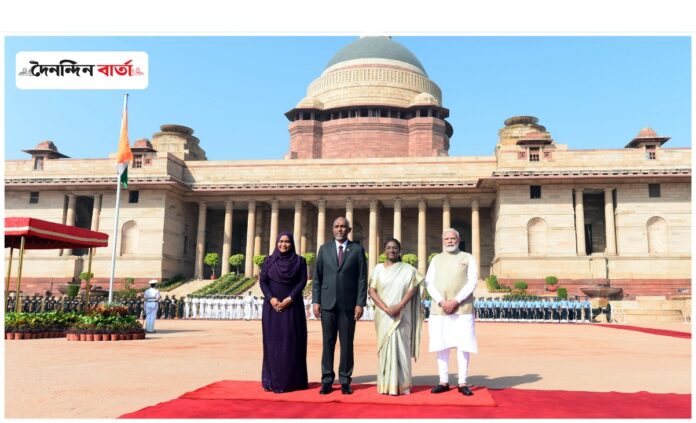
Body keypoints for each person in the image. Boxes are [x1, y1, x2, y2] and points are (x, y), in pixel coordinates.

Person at [313, 217, 367, 395]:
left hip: (348, 304)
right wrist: (316, 301)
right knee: (327, 343)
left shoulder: (357, 250)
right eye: (336, 226)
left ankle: (345, 380)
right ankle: (327, 379)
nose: (340, 229)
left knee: (346, 344)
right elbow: (318, 278)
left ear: (349, 230)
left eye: (343, 226)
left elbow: (361, 279)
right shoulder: (324, 249)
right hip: (327, 303)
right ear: (332, 229)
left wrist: (360, 303)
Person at [425, 228, 478, 396]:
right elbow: (429, 283)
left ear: (458, 239)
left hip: (462, 308)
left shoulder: (468, 257)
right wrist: (442, 301)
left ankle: (463, 381)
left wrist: (456, 301)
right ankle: (443, 381)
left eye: (452, 238)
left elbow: (472, 282)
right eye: (447, 238)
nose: (449, 241)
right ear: (443, 241)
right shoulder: (436, 259)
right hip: (440, 309)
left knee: (464, 345)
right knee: (442, 345)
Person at [368, 238, 423, 396]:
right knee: (385, 349)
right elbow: (371, 290)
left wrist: (399, 306)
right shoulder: (378, 269)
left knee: (402, 348)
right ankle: (386, 385)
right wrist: (385, 308)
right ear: (384, 250)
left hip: (402, 314)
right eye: (388, 248)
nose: (391, 250)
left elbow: (413, 289)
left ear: (400, 250)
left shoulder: (408, 269)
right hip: (383, 315)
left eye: (395, 248)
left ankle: (403, 385)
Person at [259, 232, 309, 393]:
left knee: (292, 343)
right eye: (281, 241)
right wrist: (270, 298)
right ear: (276, 243)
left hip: (292, 307)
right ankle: (272, 380)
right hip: (272, 308)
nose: (283, 244)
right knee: (272, 343)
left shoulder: (300, 261)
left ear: (292, 243)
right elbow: (263, 281)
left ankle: (292, 381)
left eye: (287, 242)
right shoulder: (269, 261)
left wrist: (290, 298)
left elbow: (302, 281)